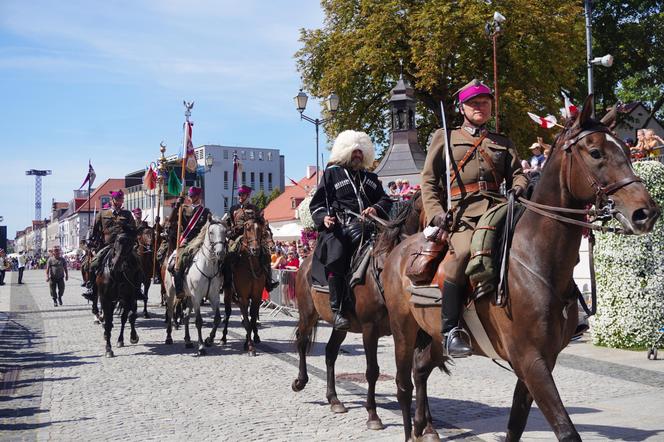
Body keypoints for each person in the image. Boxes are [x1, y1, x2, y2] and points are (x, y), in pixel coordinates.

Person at [420, 79, 528, 357]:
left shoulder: (502, 142)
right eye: (473, 103)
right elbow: (429, 181)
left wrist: (518, 186)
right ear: (462, 108)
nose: (480, 107)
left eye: (484, 102)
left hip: (500, 209)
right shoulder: (445, 137)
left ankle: (567, 307)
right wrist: (435, 214)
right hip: (464, 215)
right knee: (464, 255)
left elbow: (517, 173)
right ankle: (451, 330)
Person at [309, 130, 393, 330]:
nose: (357, 156)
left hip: (370, 225)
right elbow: (317, 203)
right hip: (340, 227)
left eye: (360, 153)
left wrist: (375, 207)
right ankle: (337, 309)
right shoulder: (332, 174)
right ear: (345, 152)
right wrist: (324, 218)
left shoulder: (371, 178)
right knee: (337, 254)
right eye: (354, 152)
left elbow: (386, 199)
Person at [83, 190, 138, 299]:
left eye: (121, 200)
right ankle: (92, 287)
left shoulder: (127, 214)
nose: (120, 202)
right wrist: (90, 241)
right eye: (118, 200)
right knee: (94, 263)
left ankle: (137, 289)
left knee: (137, 263)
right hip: (108, 246)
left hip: (124, 246)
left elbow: (133, 230)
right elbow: (94, 230)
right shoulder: (102, 214)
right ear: (112, 200)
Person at [224, 185, 278, 292]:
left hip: (252, 237)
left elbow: (261, 222)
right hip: (237, 237)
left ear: (248, 196)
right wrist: (229, 230)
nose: (240, 197)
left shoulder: (254, 208)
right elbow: (228, 223)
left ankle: (268, 281)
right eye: (239, 194)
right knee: (229, 255)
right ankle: (227, 282)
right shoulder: (233, 209)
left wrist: (265, 230)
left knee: (266, 254)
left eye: (242, 195)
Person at [166, 186, 212, 297]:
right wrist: (177, 206)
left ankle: (217, 285)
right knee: (177, 262)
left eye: (193, 196)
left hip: (201, 242)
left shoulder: (205, 212)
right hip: (187, 241)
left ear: (198, 196)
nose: (191, 198)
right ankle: (179, 288)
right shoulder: (183, 209)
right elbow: (171, 220)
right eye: (190, 196)